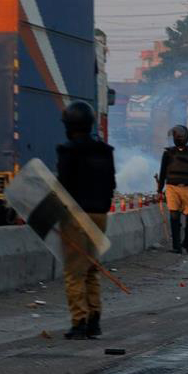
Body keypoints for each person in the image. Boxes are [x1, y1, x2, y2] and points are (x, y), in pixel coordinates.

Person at [57, 101, 116, 340]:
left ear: (70, 125)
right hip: (100, 216)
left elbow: (63, 187)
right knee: (92, 268)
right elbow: (111, 185)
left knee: (74, 272)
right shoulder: (105, 151)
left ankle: (79, 322)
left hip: (76, 216)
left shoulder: (67, 150)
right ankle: (95, 321)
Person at [157, 125, 188, 255]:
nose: (178, 138)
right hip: (172, 188)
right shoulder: (168, 153)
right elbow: (162, 173)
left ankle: (187, 245)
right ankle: (176, 246)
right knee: (174, 217)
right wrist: (159, 190)